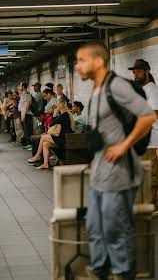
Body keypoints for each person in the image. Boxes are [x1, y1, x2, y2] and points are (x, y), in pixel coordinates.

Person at [76, 42, 156, 280]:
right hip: (100, 172)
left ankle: (123, 273)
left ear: (98, 61)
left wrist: (123, 145)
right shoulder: (96, 89)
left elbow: (148, 116)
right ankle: (99, 271)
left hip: (119, 174)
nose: (77, 66)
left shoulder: (116, 86)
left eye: (82, 60)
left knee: (115, 229)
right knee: (94, 227)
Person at [129, 59, 158, 210]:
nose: (136, 74)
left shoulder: (151, 89)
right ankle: (145, 204)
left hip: (149, 140)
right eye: (134, 72)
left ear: (147, 72)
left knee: (150, 175)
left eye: (139, 71)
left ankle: (152, 205)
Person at [28, 99, 75, 168]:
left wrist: (55, 113)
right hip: (64, 138)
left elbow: (51, 124)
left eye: (57, 106)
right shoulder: (67, 114)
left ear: (59, 106)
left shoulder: (64, 114)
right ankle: (45, 164)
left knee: (43, 137)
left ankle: (37, 156)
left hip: (63, 139)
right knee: (45, 144)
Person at [18, 82, 33, 151]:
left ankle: (30, 144)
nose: (19, 87)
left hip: (27, 114)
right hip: (24, 114)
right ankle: (28, 144)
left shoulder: (27, 95)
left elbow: (26, 105)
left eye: (20, 86)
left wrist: (23, 115)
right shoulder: (23, 95)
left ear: (23, 87)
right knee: (25, 129)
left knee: (27, 129)